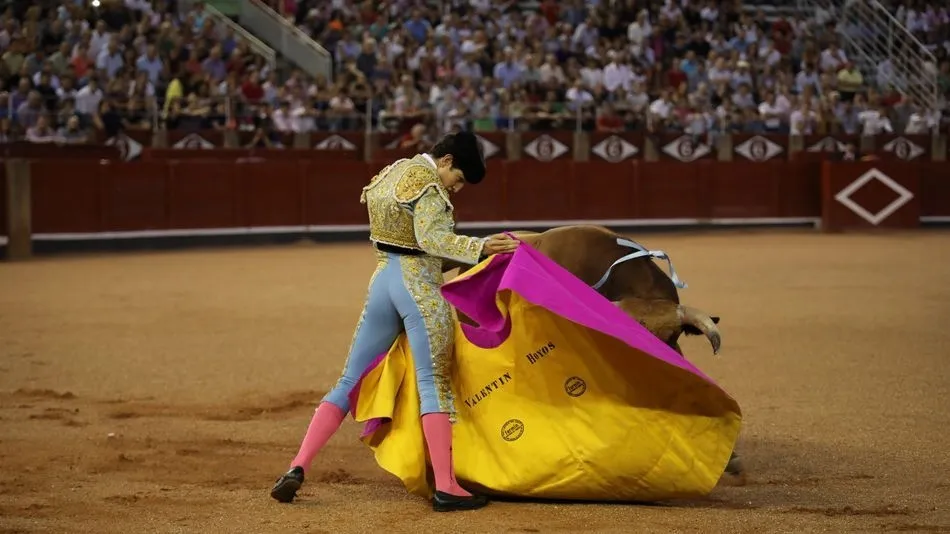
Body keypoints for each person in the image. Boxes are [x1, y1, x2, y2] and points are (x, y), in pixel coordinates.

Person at [270, 131, 520, 512]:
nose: (457, 189)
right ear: (447, 161)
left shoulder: (390, 173)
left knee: (348, 381)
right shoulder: (431, 187)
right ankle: (448, 486)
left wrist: (469, 255)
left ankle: (296, 467)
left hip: (383, 280)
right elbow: (432, 239)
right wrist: (480, 247)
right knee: (433, 381)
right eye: (460, 179)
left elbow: (408, 242)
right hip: (416, 286)